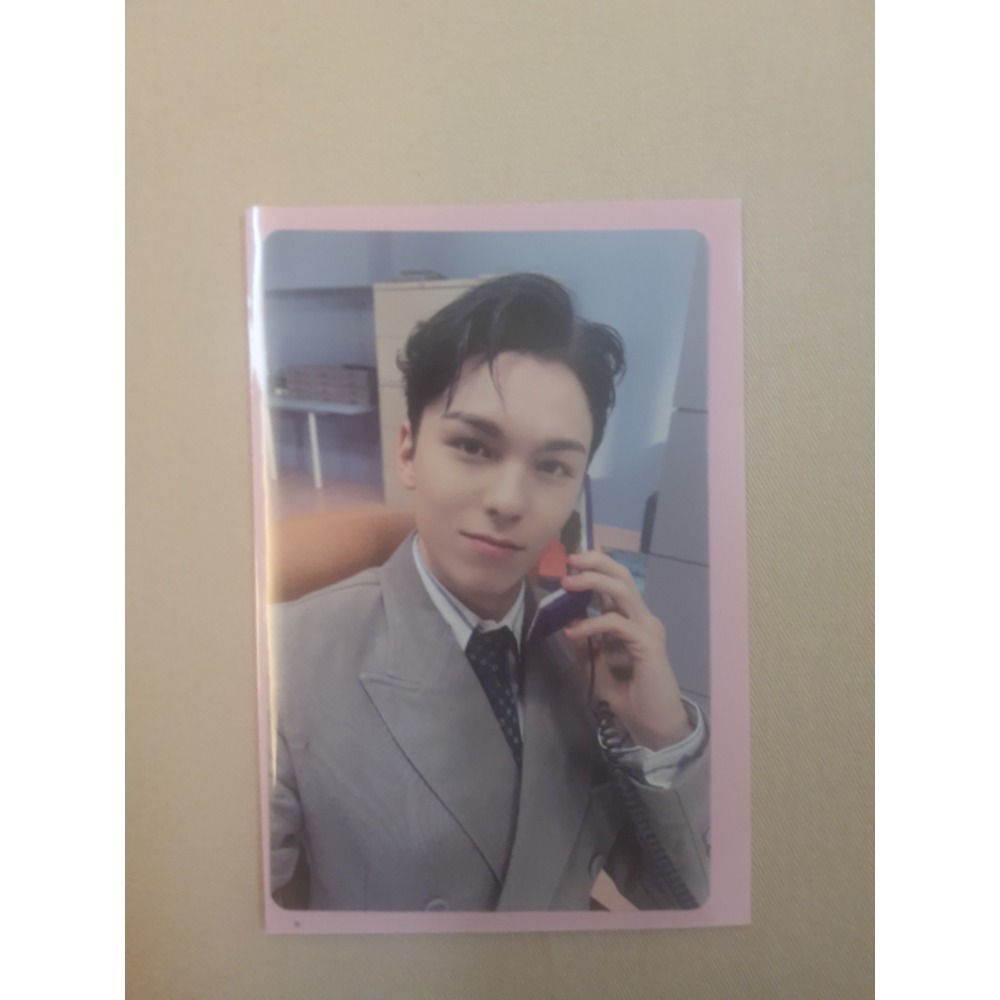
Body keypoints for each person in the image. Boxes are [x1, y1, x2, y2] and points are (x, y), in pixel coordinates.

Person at [269, 273, 709, 912]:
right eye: (473, 446)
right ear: (408, 452)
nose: (508, 501)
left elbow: (681, 898)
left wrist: (660, 732)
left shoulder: (591, 659)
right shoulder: (285, 660)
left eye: (553, 466)